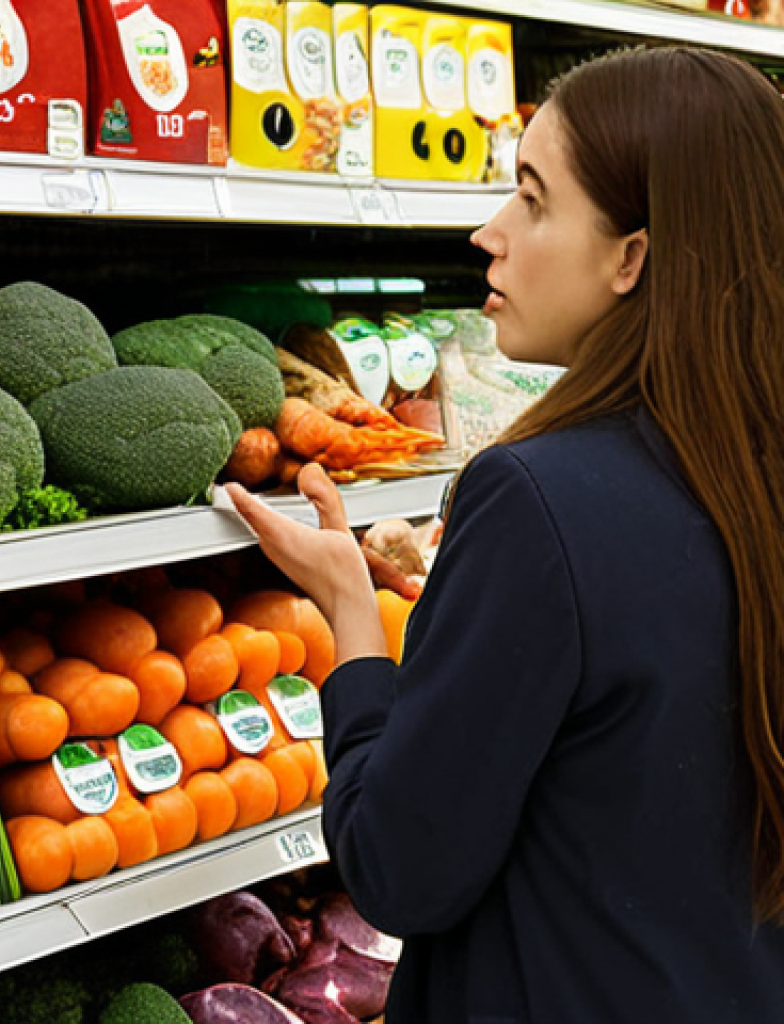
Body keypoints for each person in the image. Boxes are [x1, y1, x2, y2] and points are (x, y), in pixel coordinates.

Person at [225, 46, 784, 1023]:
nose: (489, 232)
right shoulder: (748, 475)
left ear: (630, 257)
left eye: (531, 198)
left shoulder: (537, 496)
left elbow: (400, 868)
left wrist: (354, 626)